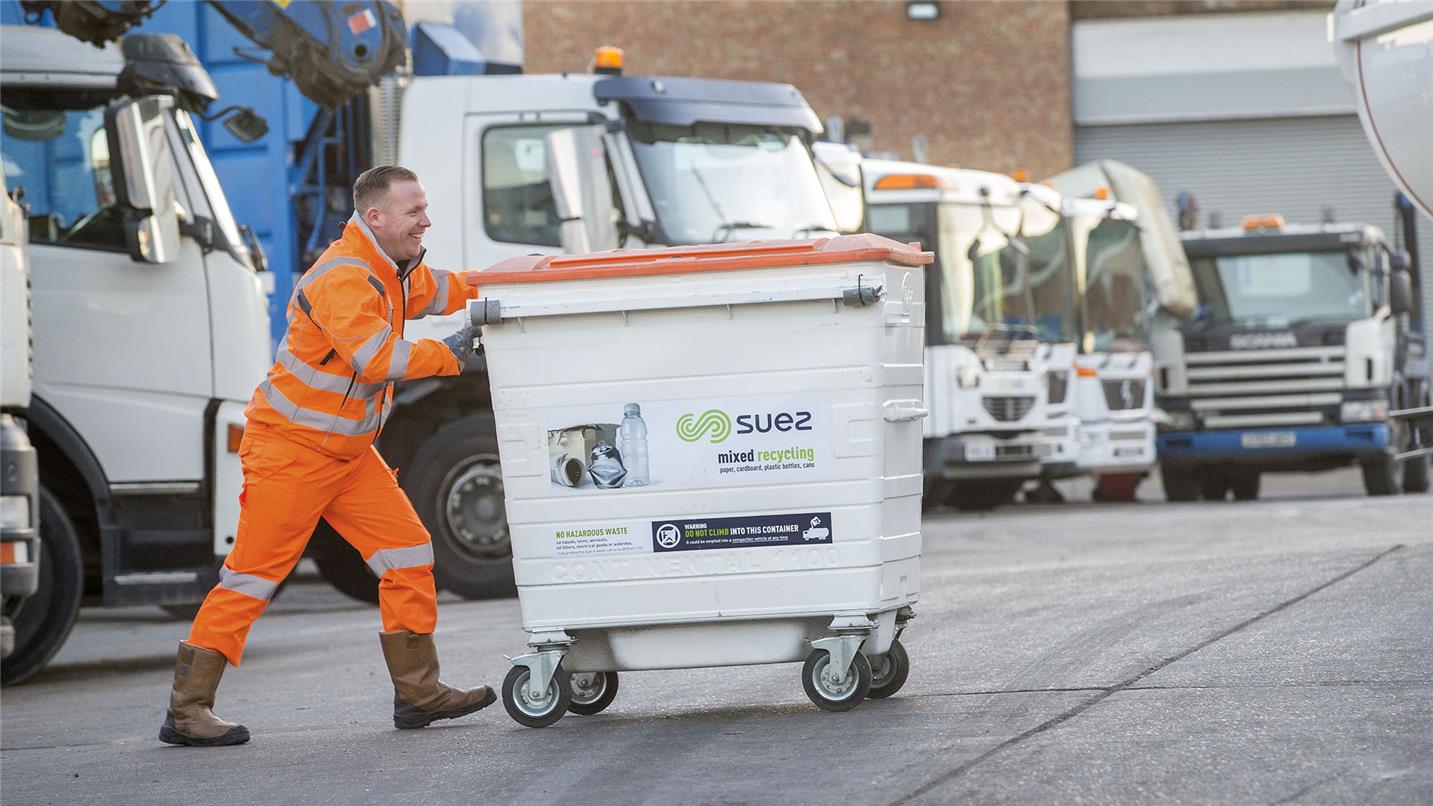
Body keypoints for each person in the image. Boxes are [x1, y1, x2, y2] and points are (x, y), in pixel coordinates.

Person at [160, 166, 491, 747]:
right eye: (414, 211)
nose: (426, 220)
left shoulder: (390, 271)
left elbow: (441, 289)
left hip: (346, 455)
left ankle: (418, 692)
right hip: (290, 453)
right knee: (251, 580)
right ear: (375, 217)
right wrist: (450, 354)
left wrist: (505, 281)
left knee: (410, 555)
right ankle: (187, 710)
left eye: (425, 208)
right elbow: (376, 359)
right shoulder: (343, 277)